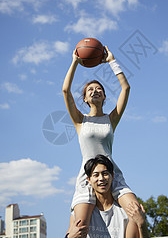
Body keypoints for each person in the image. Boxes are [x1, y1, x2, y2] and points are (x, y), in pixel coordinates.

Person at [63, 46, 139, 237]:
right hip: (87, 176)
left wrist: (112, 61)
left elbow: (126, 88)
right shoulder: (80, 121)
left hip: (111, 173)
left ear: (104, 96)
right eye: (90, 90)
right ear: (86, 98)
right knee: (79, 228)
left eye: (99, 89)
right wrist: (75, 62)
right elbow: (65, 90)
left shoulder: (111, 119)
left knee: (137, 213)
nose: (95, 91)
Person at [65, 155, 149, 238]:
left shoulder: (126, 212)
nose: (101, 178)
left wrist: (142, 224)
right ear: (89, 180)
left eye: (105, 174)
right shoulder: (81, 215)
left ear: (112, 176)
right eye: (96, 175)